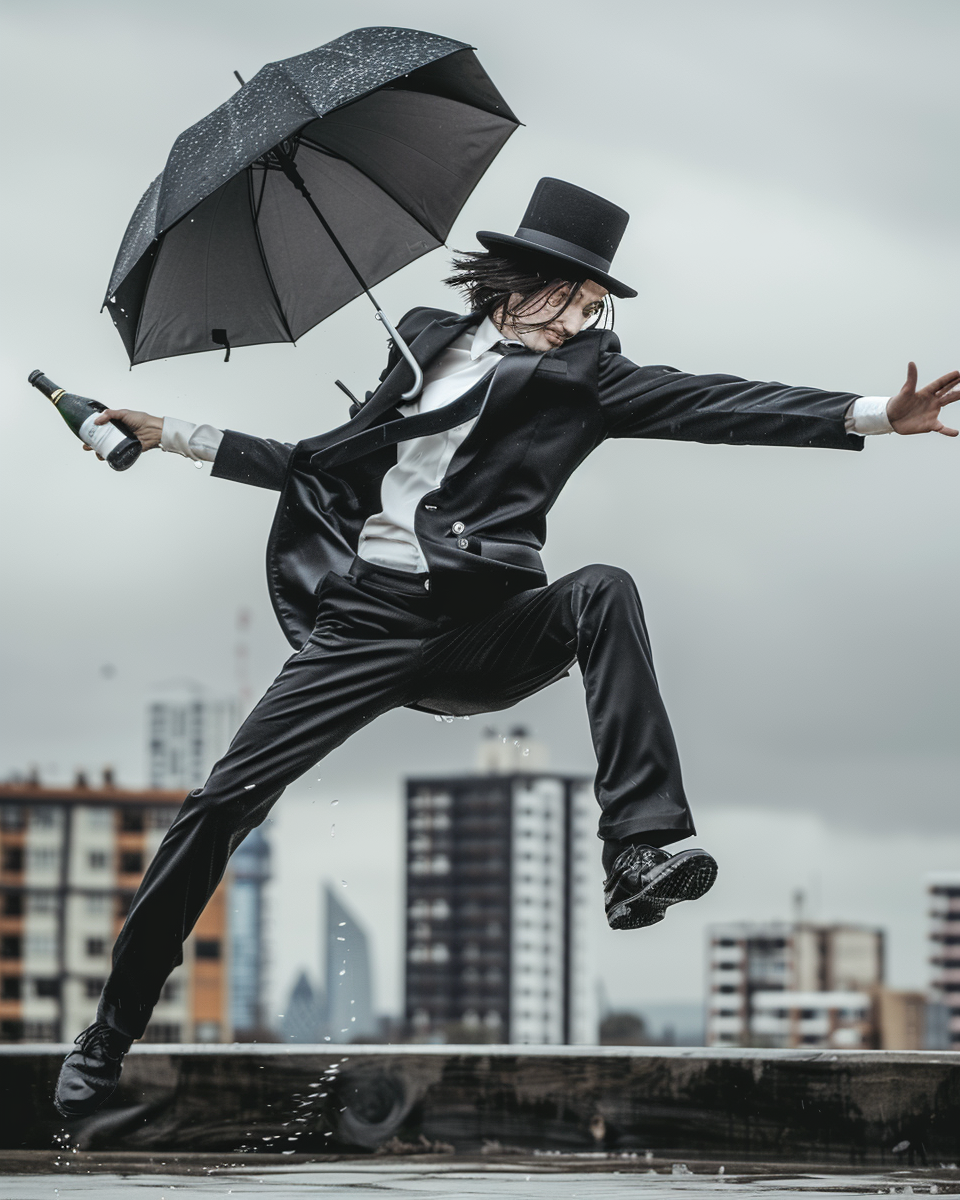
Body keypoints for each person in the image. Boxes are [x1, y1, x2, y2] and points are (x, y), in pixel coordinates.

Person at [54, 177, 958, 1117]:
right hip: (365, 620)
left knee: (603, 588)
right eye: (575, 299)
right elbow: (319, 465)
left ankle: (640, 850)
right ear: (520, 285)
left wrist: (870, 416)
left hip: (483, 625)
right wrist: (167, 433)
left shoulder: (588, 376)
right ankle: (108, 1037)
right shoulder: (421, 342)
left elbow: (711, 402)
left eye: (597, 305)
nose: (584, 318)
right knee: (217, 806)